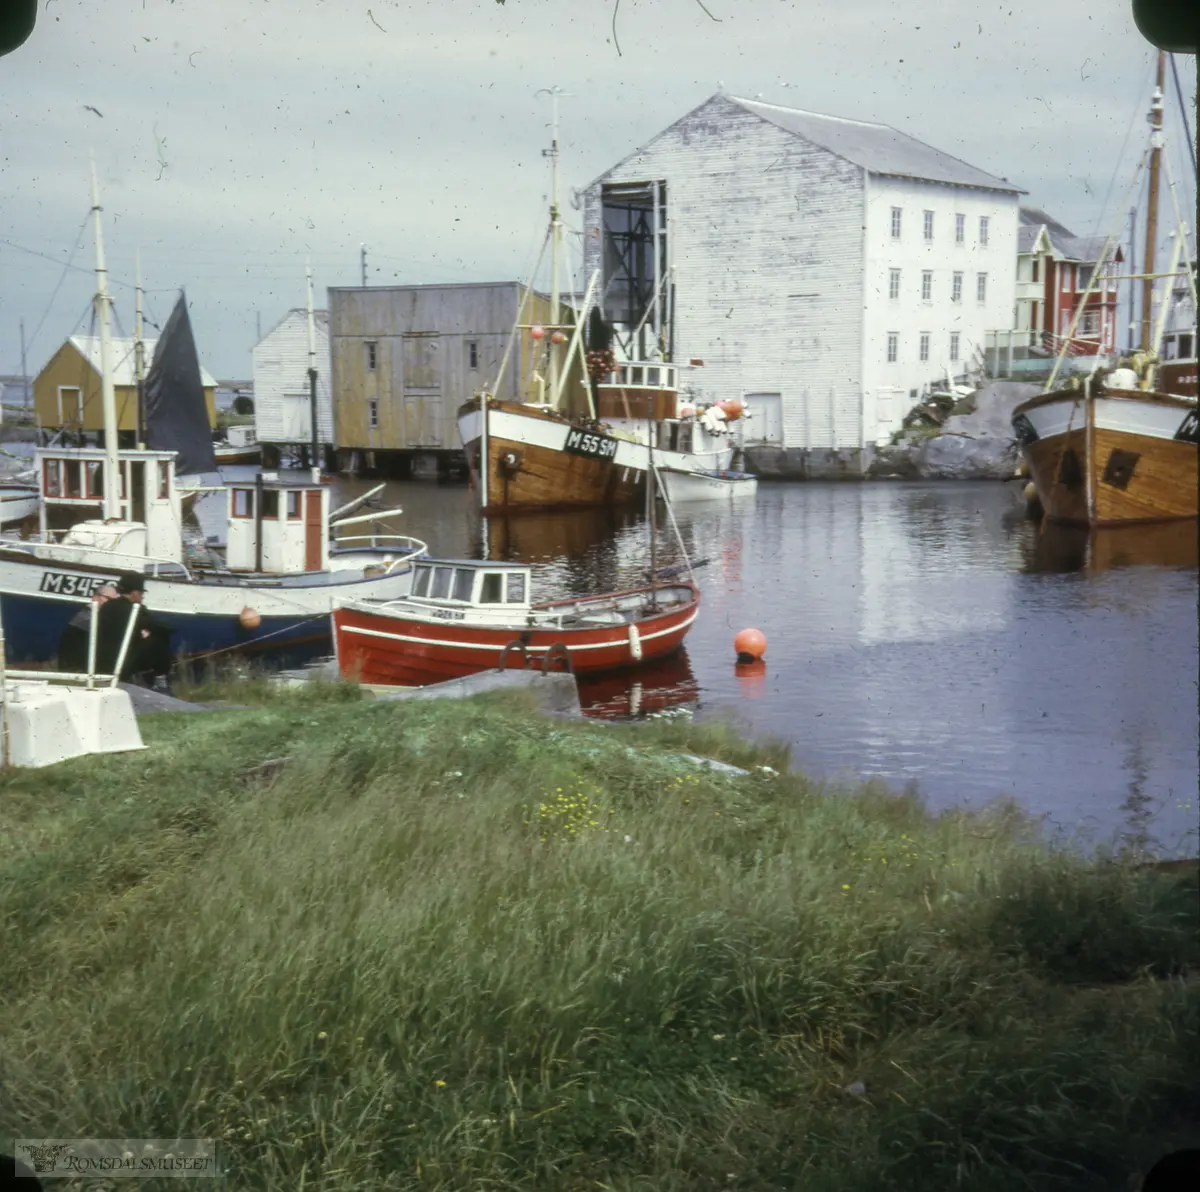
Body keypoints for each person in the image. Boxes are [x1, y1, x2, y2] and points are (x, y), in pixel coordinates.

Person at [96, 572, 174, 690]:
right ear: (134, 593)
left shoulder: (107, 606)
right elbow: (157, 627)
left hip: (101, 664)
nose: (142, 596)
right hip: (123, 664)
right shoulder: (135, 609)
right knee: (159, 638)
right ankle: (160, 680)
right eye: (142, 593)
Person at [56, 582, 119, 673]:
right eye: (108, 599)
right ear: (96, 597)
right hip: (76, 670)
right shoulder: (86, 617)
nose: (112, 604)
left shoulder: (95, 617)